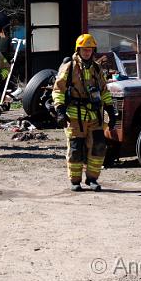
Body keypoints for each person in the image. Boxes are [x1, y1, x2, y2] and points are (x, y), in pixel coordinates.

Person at [51, 34, 116, 192]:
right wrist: (60, 110)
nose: (87, 52)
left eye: (89, 50)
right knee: (75, 149)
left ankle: (92, 179)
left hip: (95, 115)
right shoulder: (70, 67)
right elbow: (58, 89)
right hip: (74, 116)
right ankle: (75, 181)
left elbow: (104, 90)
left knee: (99, 146)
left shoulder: (96, 68)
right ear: (78, 50)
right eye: (84, 50)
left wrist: (110, 109)